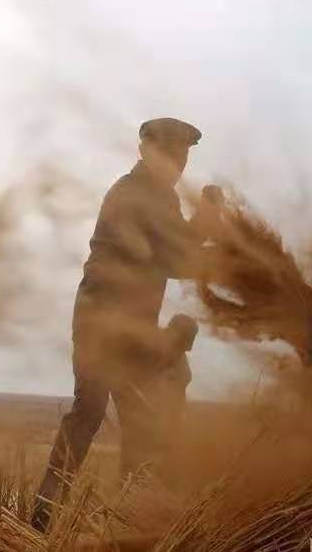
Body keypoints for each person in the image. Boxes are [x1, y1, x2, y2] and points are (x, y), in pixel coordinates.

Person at [31, 118, 222, 532]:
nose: (178, 164)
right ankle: (44, 517)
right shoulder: (131, 195)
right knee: (90, 412)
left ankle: (127, 518)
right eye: (171, 154)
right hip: (103, 323)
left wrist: (207, 224)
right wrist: (210, 224)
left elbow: (176, 248)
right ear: (146, 152)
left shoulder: (163, 199)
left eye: (183, 157)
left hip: (134, 329)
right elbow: (177, 259)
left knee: (140, 419)